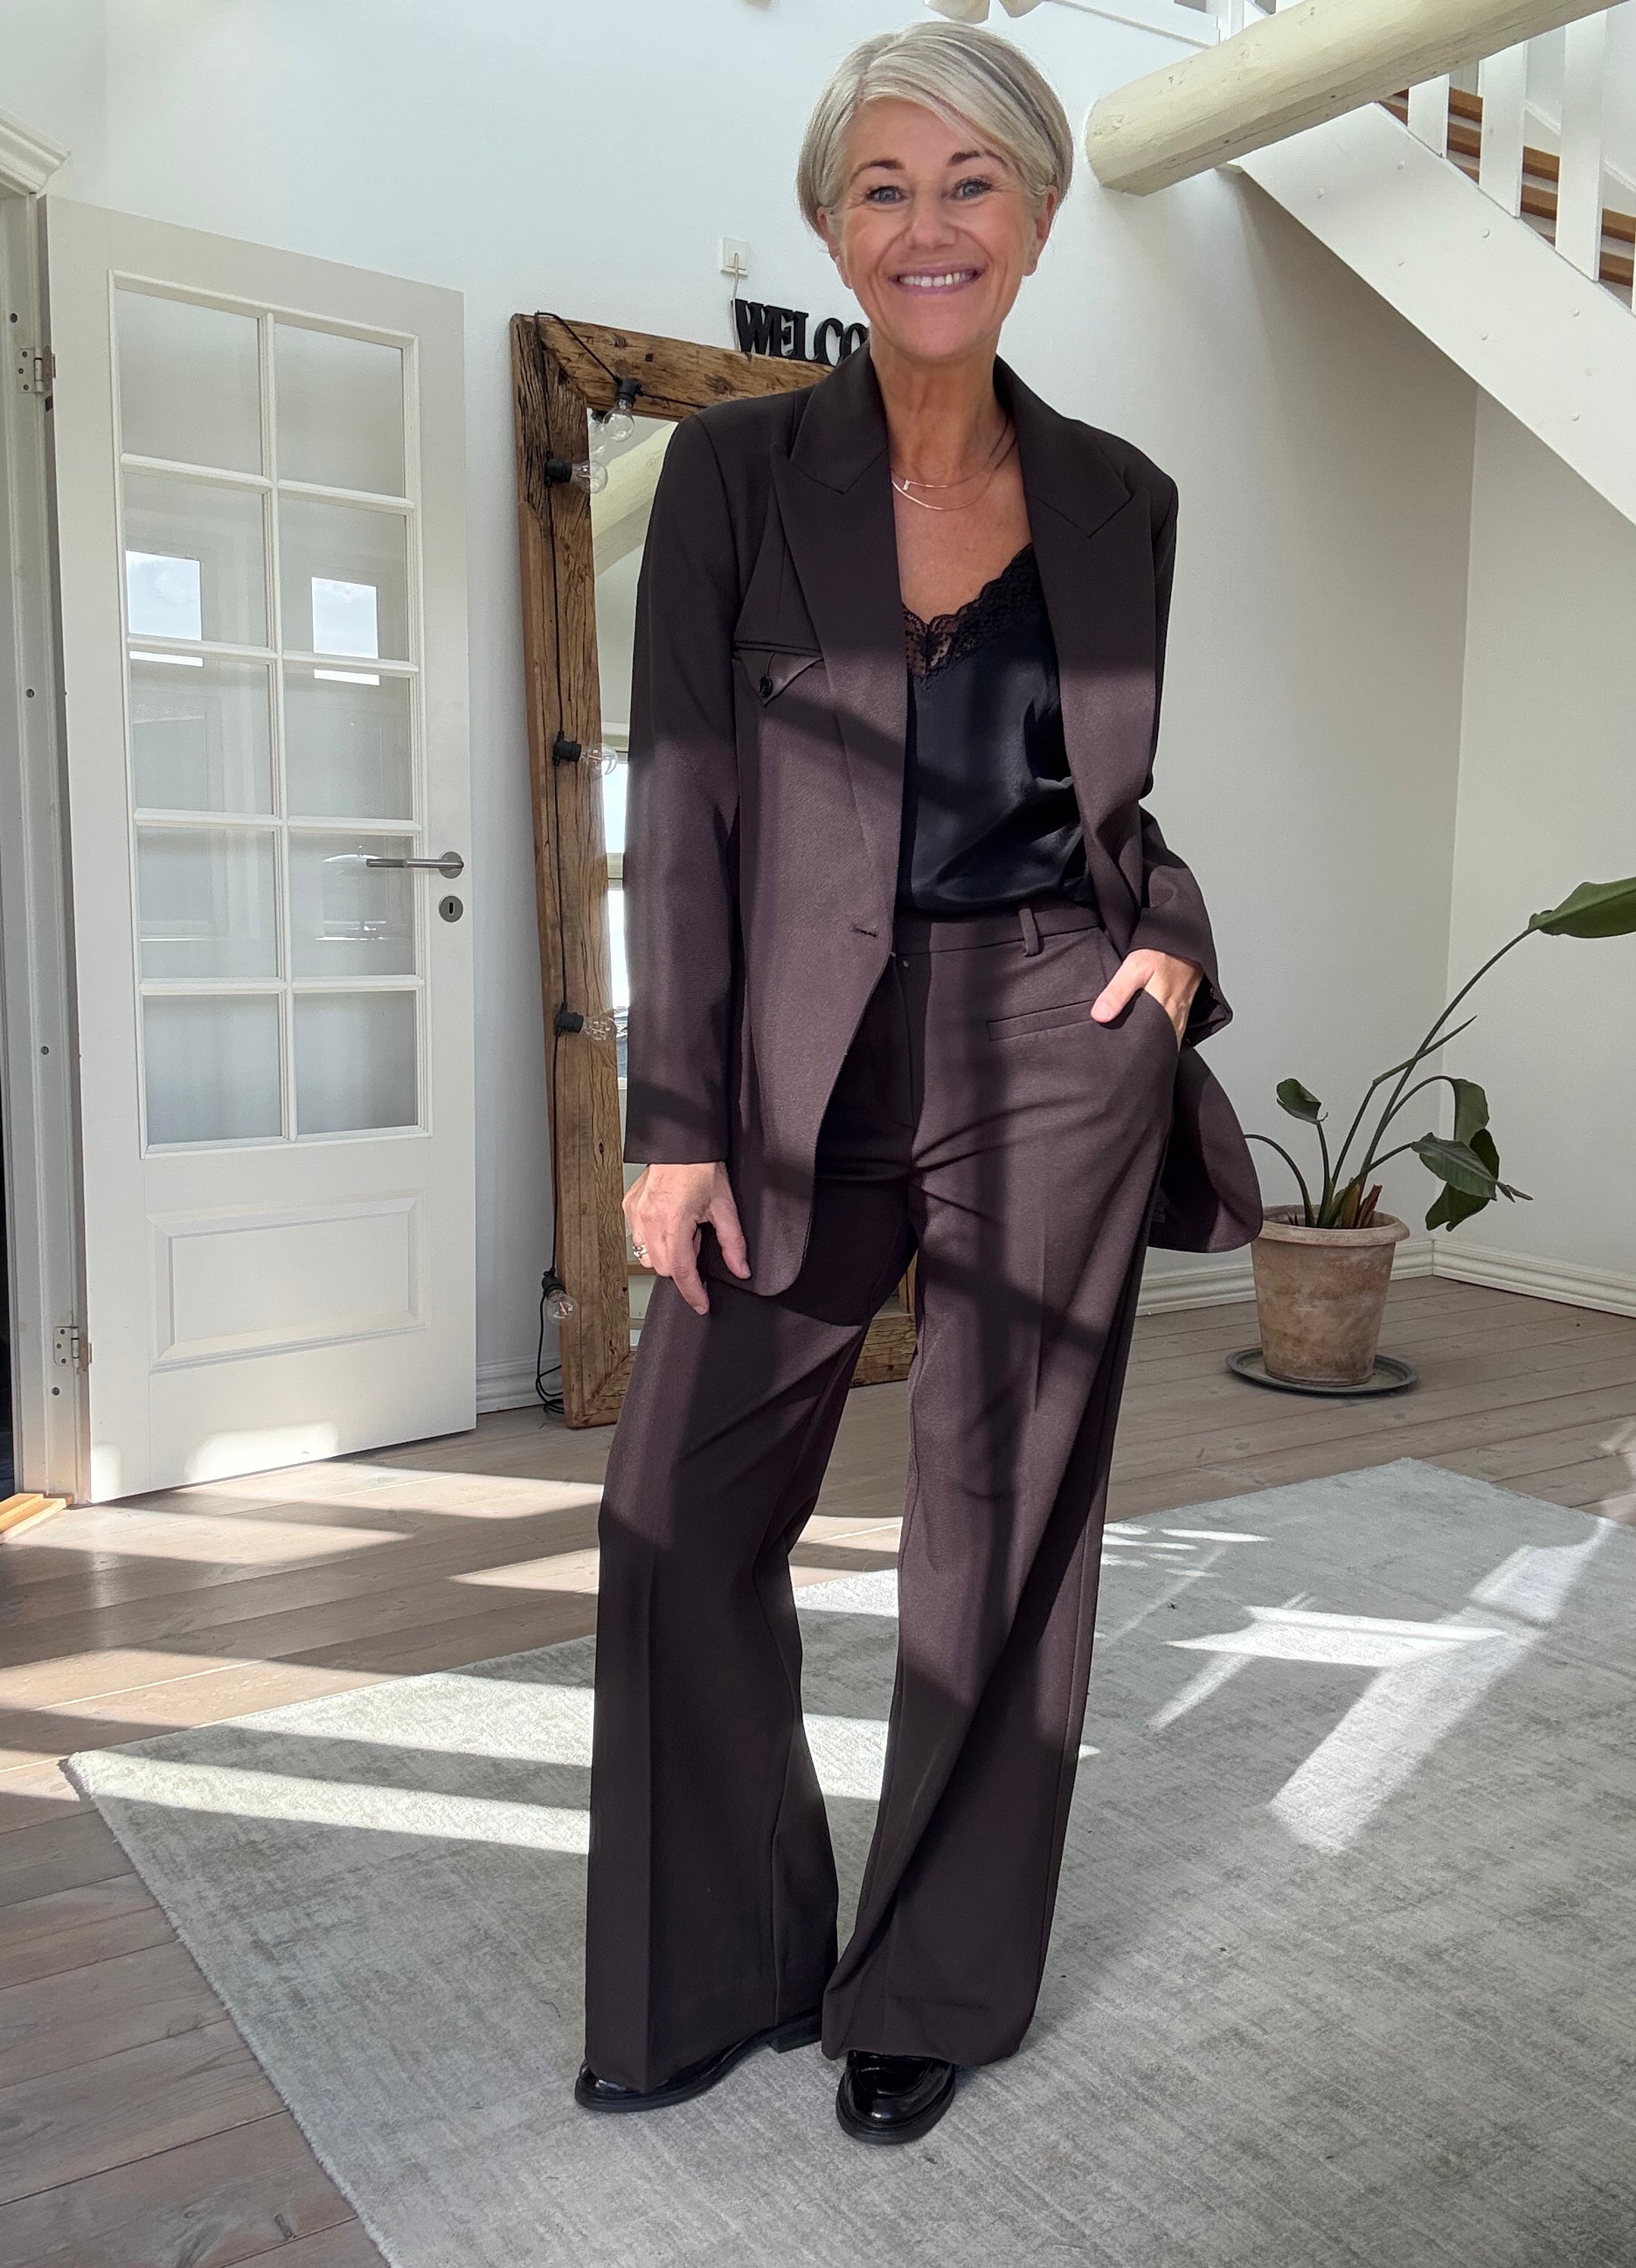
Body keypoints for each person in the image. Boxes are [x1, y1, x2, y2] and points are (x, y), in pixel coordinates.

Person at [574, 20, 1263, 2147]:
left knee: (998, 1522)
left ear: (1037, 220)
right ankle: (722, 1961)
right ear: (829, 227)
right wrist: (675, 1121)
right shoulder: (729, 478)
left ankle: (928, 1980)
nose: (926, 223)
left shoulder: (1123, 500)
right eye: (882, 185)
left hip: (1052, 1034)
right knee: (676, 1510)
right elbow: (681, 811)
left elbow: (1104, 801)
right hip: (797, 1059)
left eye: (970, 182)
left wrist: (1169, 943)